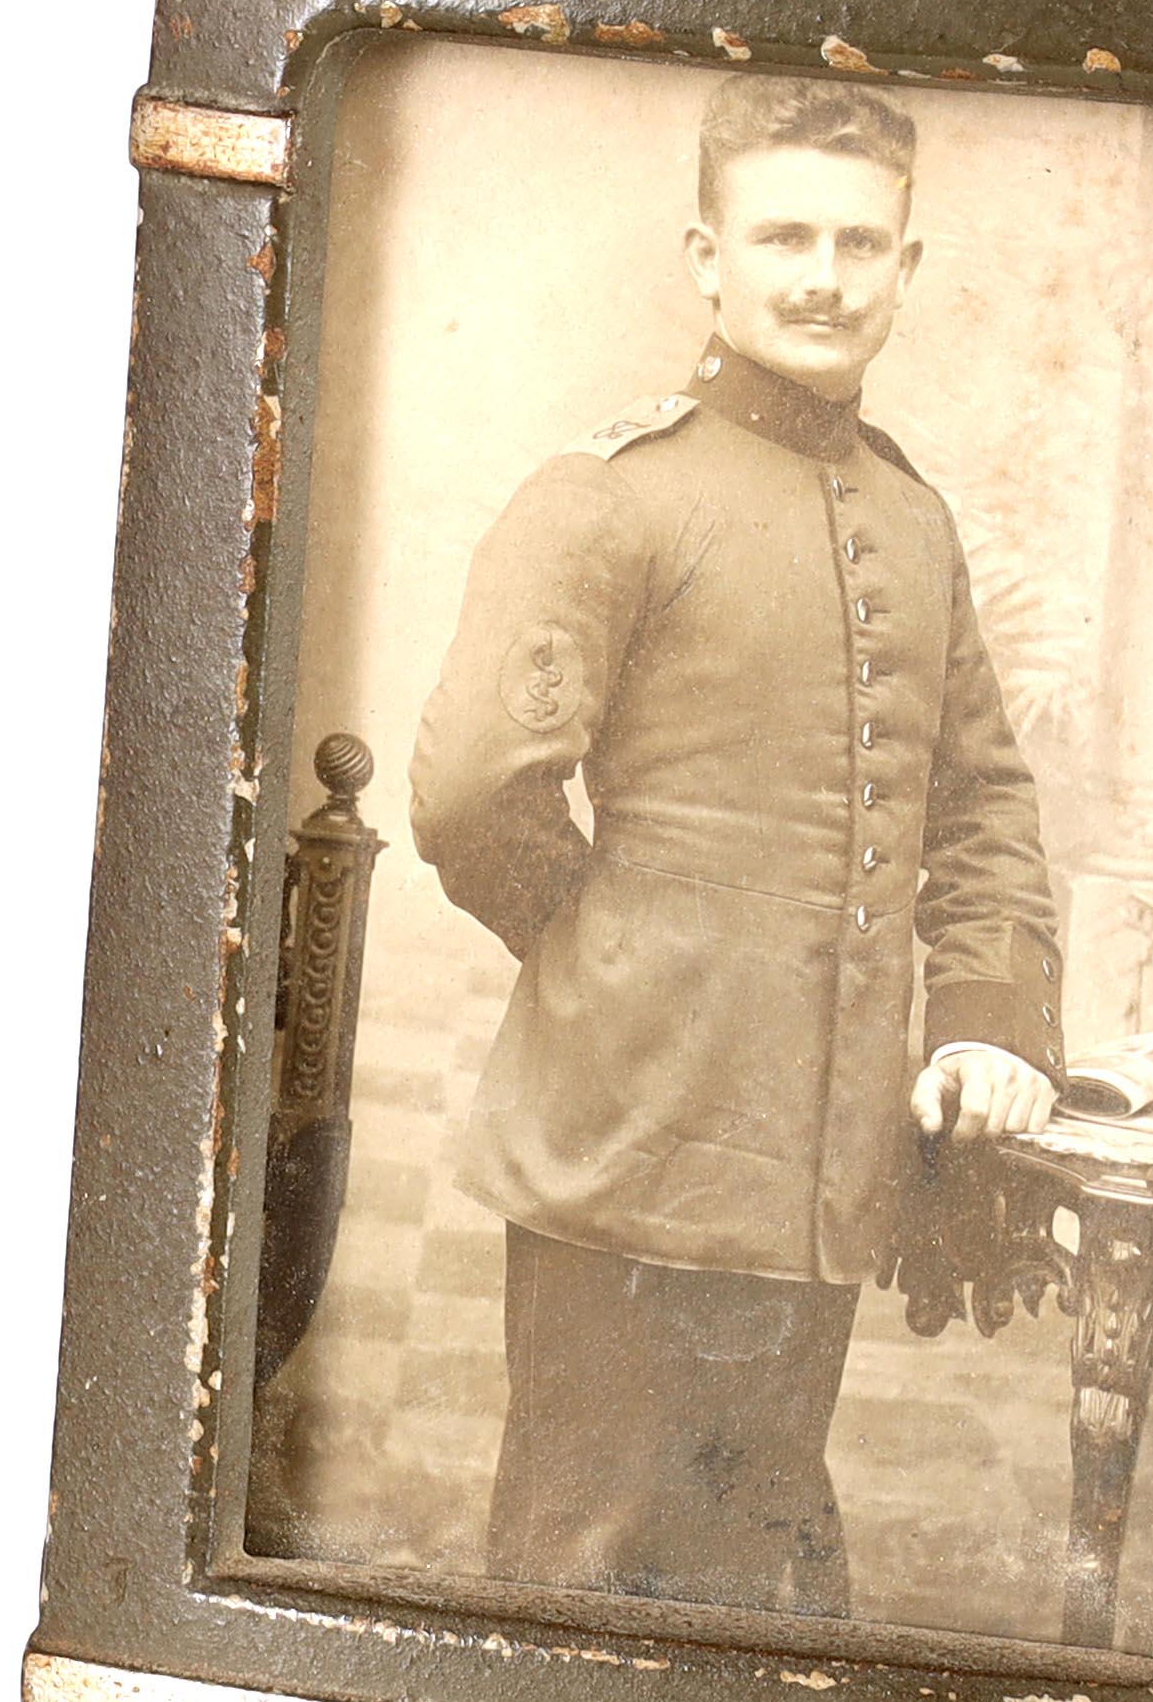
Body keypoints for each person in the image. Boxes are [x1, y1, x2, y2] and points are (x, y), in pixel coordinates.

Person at [407, 80, 1059, 1616]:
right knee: (590, 1575)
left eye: (856, 241)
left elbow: (979, 801)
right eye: (782, 237)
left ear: (908, 266)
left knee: (764, 1578)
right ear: (708, 259)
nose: (820, 276)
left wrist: (982, 1015)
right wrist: (611, 948)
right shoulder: (608, 496)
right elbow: (466, 792)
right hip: (627, 1144)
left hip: (817, 1165)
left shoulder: (910, 521)